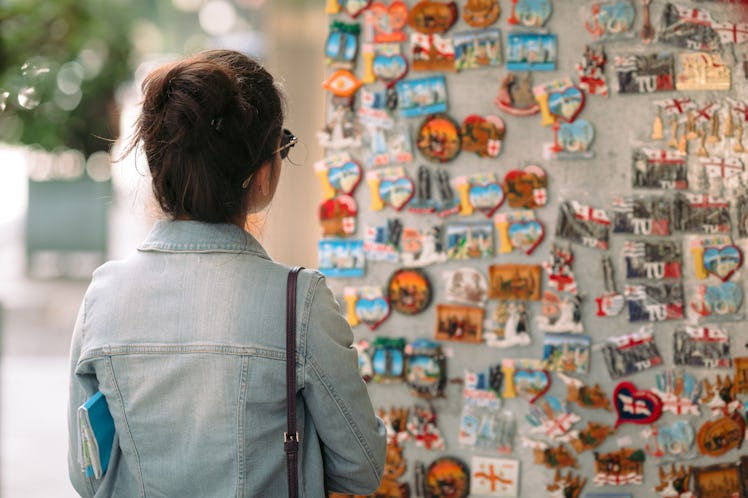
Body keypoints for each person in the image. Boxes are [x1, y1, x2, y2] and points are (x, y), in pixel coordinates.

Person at [67, 49, 386, 497]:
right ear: (262, 175)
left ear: (160, 169)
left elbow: (86, 475)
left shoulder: (103, 295)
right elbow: (362, 468)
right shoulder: (299, 299)